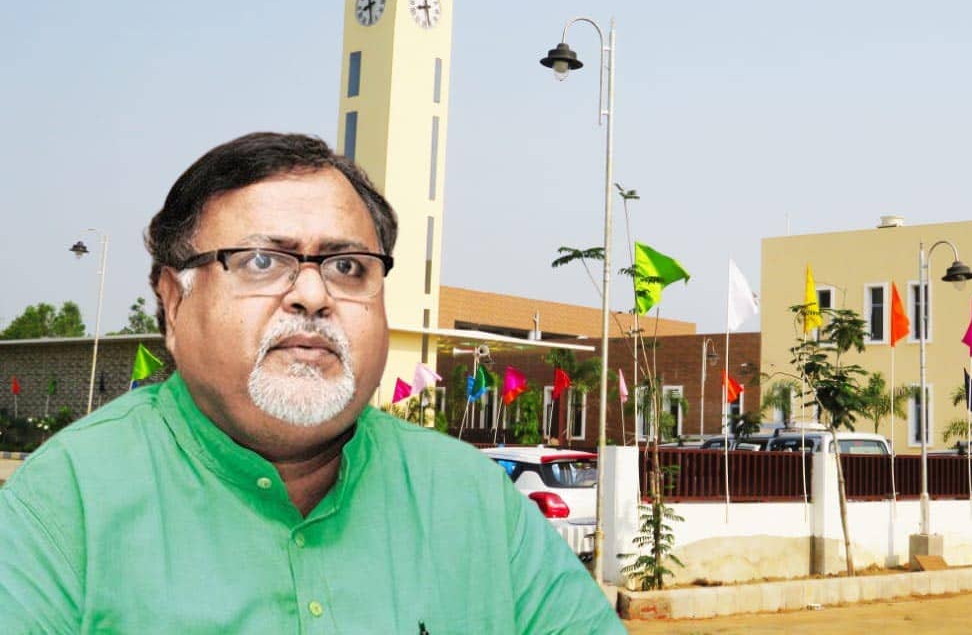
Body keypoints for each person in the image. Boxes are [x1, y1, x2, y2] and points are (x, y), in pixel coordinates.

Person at [0, 133, 624, 633]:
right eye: (261, 261)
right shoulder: (64, 505)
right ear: (174, 302)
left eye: (347, 266)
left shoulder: (473, 500)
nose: (313, 293)